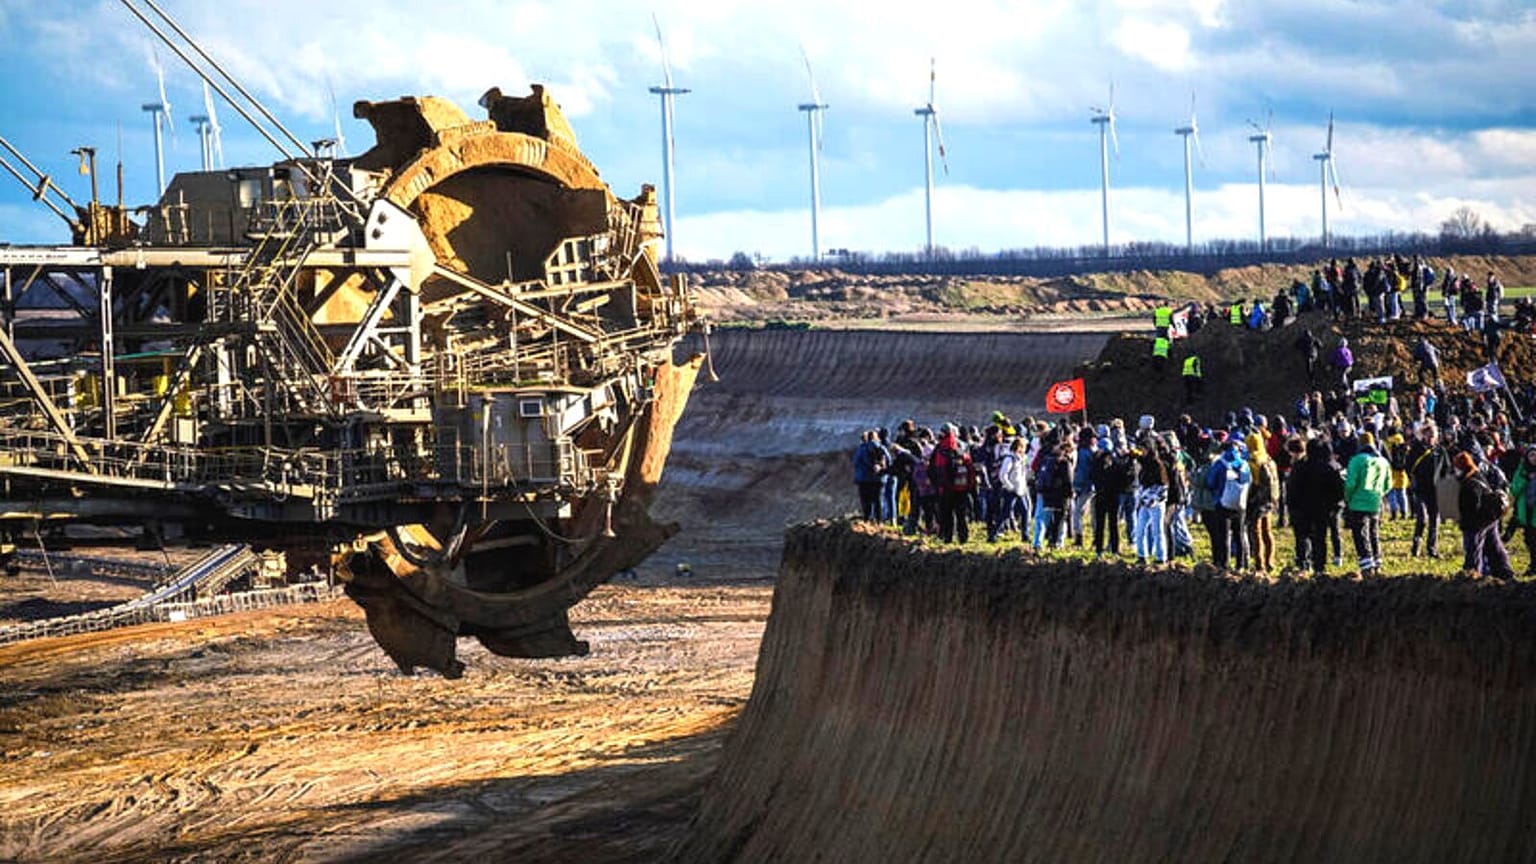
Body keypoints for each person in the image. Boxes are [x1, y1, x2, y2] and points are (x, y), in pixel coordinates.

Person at [1287, 438, 1345, 574]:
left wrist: (1293, 507)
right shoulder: (1332, 467)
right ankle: (1320, 567)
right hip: (1326, 509)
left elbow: (1293, 488)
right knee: (1321, 538)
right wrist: (1335, 505)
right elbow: (1340, 490)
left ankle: (1304, 564)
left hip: (1305, 508)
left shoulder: (1301, 466)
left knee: (1304, 537)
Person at [1455, 451, 1515, 579]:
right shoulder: (1477, 475)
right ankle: (1505, 573)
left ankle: (1472, 575)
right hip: (1490, 519)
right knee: (1494, 548)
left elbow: (1472, 507)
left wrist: (1465, 523)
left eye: (1456, 467)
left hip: (1477, 523)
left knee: (1474, 551)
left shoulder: (1469, 483)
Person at [1343, 431, 1392, 576]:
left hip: (1358, 503)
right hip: (1376, 502)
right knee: (1374, 533)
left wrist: (1348, 497)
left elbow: (1350, 484)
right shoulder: (1383, 461)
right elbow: (1388, 484)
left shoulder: (1356, 460)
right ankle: (1377, 562)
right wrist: (1379, 494)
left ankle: (1366, 564)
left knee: (1361, 534)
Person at [1206, 440, 1252, 569]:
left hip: (1222, 503)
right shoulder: (1244, 464)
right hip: (1240, 504)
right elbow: (1249, 481)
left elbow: (1210, 482)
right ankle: (1241, 564)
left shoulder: (1220, 464)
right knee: (1240, 534)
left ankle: (1224, 564)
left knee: (1224, 535)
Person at [929, 425, 974, 543]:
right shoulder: (962, 447)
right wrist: (970, 485)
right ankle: (963, 538)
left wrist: (936, 484)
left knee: (947, 514)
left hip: (945, 488)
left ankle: (948, 537)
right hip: (961, 487)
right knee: (961, 514)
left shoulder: (940, 448)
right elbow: (970, 466)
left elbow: (932, 468)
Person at [1245, 433, 1281, 573]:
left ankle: (1259, 564)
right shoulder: (1269, 460)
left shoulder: (1253, 461)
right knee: (1268, 532)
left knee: (1256, 533)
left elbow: (1251, 483)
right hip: (1269, 500)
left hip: (1257, 501)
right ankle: (1270, 561)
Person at [1132, 436, 1169, 564]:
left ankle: (1161, 557)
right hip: (1144, 503)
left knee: (1157, 531)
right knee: (1140, 529)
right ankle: (1142, 555)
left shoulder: (1158, 465)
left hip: (1156, 504)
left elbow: (1163, 486)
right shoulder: (1143, 464)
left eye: (1144, 449)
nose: (1142, 451)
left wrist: (1153, 499)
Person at [989, 436, 1028, 543]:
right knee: (1005, 513)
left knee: (1025, 511)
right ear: (1019, 447)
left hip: (1021, 490)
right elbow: (1003, 475)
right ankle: (993, 534)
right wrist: (1010, 487)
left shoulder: (1022, 459)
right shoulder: (1009, 458)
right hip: (1011, 490)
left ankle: (1025, 535)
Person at [1508, 446, 1536, 576]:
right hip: (1526, 511)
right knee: (1529, 539)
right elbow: (1514, 490)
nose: (1534, 458)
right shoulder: (1521, 471)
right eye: (1531, 455)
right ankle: (1533, 565)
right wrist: (1526, 479)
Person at [852, 430, 888, 521]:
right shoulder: (882, 448)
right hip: (879, 478)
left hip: (864, 479)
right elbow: (889, 460)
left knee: (866, 501)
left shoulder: (862, 449)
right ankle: (879, 521)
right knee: (878, 500)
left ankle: (867, 519)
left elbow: (856, 462)